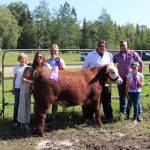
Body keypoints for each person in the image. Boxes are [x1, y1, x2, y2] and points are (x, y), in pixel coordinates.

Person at [82, 40, 114, 123]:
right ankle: (89, 118)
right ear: (97, 46)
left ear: (106, 48)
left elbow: (112, 67)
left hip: (106, 83)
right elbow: (84, 68)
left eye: (103, 46)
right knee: (93, 101)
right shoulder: (90, 55)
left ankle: (109, 117)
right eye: (100, 46)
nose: (102, 48)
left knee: (107, 101)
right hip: (93, 84)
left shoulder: (109, 55)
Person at [113, 40, 144, 119]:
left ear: (127, 45)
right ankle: (123, 114)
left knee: (136, 97)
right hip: (121, 79)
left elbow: (141, 63)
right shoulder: (116, 56)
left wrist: (138, 74)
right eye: (121, 45)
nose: (122, 47)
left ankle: (139, 114)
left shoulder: (133, 54)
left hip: (131, 79)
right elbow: (111, 64)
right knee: (122, 96)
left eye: (124, 45)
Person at [47, 44, 66, 116]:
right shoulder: (47, 60)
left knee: (55, 101)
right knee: (47, 100)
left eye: (55, 51)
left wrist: (61, 66)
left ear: (58, 51)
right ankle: (46, 115)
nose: (53, 52)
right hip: (48, 84)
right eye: (52, 50)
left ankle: (53, 116)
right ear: (50, 51)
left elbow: (64, 70)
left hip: (56, 83)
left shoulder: (60, 60)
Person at [12, 53, 28, 126]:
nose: (22, 60)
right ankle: (15, 120)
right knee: (16, 104)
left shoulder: (27, 67)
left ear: (26, 60)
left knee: (23, 104)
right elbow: (15, 78)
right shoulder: (16, 67)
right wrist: (13, 87)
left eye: (23, 58)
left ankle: (22, 119)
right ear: (19, 59)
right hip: (17, 88)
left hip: (24, 89)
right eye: (21, 58)